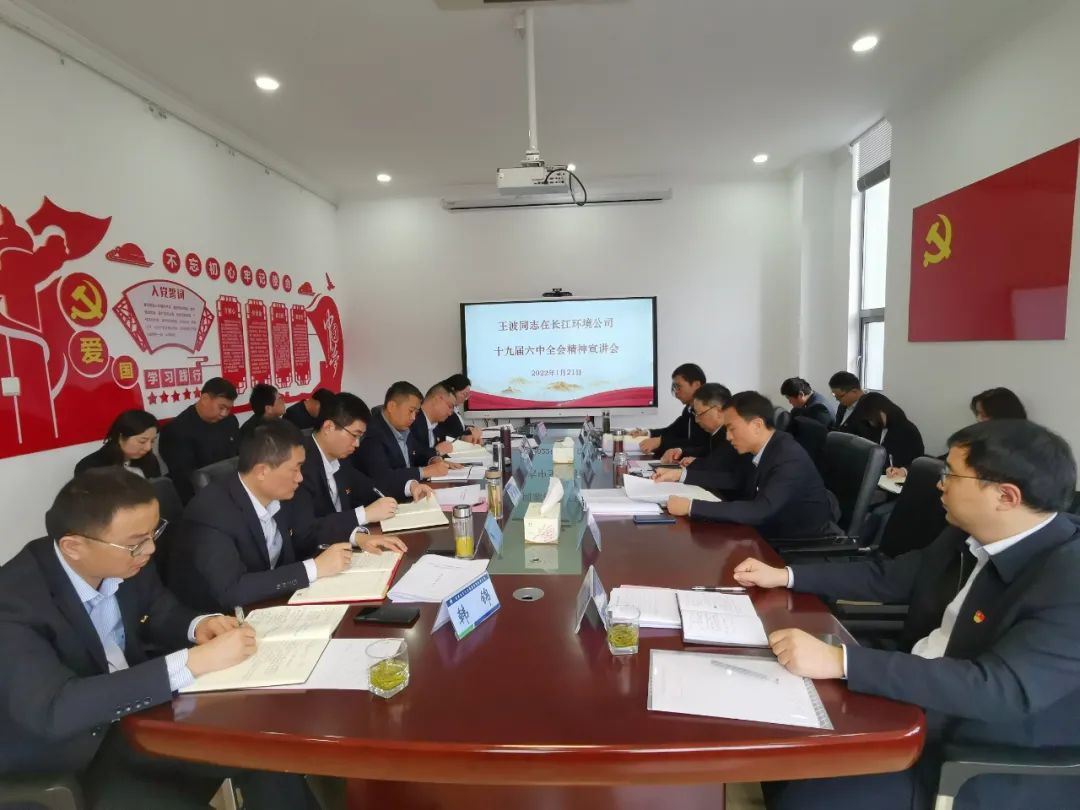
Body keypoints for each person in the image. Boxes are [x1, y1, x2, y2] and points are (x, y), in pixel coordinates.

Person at [734, 419, 1080, 810]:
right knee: (776, 723)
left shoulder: (1068, 578)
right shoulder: (972, 532)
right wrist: (786, 575)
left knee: (807, 793)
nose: (940, 484)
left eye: (952, 474)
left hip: (977, 755)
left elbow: (999, 689)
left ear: (1006, 496)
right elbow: (890, 576)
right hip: (916, 696)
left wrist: (841, 661)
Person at [0, 468, 321, 808]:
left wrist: (199, 625)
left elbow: (158, 608)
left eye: (153, 533)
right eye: (136, 542)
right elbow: (54, 709)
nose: (150, 548)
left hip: (141, 717)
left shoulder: (126, 558)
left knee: (267, 749)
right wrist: (191, 662)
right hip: (74, 757)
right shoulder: (14, 601)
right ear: (74, 546)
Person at [168, 419, 354, 613]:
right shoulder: (211, 513)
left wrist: (355, 535)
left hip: (271, 602)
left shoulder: (278, 492)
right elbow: (232, 590)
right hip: (222, 618)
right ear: (262, 471)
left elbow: (306, 532)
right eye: (295, 468)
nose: (300, 477)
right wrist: (314, 568)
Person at [667, 391, 837, 540]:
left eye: (732, 429)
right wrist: (682, 476)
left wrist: (691, 506)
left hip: (796, 544)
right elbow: (736, 480)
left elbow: (761, 510)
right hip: (770, 531)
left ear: (757, 425)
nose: (728, 437)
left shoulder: (787, 457)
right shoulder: (765, 448)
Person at [292, 392, 412, 556]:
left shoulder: (340, 459)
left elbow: (371, 487)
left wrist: (410, 486)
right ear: (328, 427)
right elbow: (306, 533)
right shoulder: (299, 465)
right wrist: (363, 515)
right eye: (354, 435)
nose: (356, 444)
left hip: (343, 548)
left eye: (360, 437)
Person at [352, 381, 450, 498]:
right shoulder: (372, 435)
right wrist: (425, 471)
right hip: (385, 501)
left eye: (416, 412)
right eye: (410, 411)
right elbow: (383, 478)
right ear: (391, 406)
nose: (413, 417)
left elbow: (417, 452)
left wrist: (433, 459)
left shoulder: (402, 428)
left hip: (411, 492)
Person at [652, 383, 747, 499]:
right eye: (695, 414)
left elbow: (717, 467)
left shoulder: (733, 436)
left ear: (718, 411)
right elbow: (708, 450)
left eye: (700, 414)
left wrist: (684, 471)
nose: (697, 420)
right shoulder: (717, 432)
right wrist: (683, 452)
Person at [158, 377, 240, 503]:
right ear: (205, 399)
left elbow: (237, 456)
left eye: (228, 409)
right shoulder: (177, 430)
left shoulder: (230, 421)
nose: (224, 414)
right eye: (221, 407)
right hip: (200, 497)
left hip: (231, 488)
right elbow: (185, 478)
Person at [631, 363, 709, 460]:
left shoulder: (707, 412)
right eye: (674, 388)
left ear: (696, 385)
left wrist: (661, 442)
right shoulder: (688, 409)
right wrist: (647, 433)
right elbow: (672, 431)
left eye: (678, 387)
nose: (676, 392)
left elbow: (699, 443)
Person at [849, 391, 925, 471]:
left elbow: (916, 463)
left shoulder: (907, 430)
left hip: (898, 476)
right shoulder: (877, 429)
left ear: (883, 410)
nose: (871, 423)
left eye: (872, 418)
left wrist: (903, 470)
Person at [74, 409, 161, 478]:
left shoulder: (149, 460)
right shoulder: (90, 467)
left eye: (152, 441)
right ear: (121, 438)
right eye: (142, 441)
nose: (148, 448)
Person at [410, 382, 457, 461]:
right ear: (437, 399)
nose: (450, 413)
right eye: (450, 406)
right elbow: (411, 456)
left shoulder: (437, 427)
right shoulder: (412, 420)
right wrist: (436, 451)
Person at [435, 373, 482, 444]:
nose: (466, 399)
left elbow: (459, 428)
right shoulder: (445, 411)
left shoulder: (455, 408)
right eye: (464, 394)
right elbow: (452, 433)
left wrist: (469, 428)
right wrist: (468, 433)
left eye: (468, 395)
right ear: (453, 391)